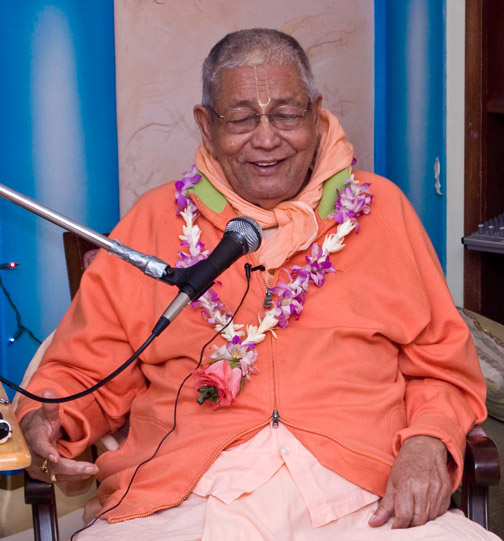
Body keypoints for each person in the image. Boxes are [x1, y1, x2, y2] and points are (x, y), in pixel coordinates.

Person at [17, 29, 498, 540]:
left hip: (364, 494)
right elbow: (81, 372)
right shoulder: (153, 223)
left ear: (315, 114)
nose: (266, 139)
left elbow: (445, 367)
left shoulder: (383, 212)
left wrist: (427, 442)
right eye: (242, 118)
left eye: (286, 115)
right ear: (206, 125)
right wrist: (47, 420)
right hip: (189, 496)